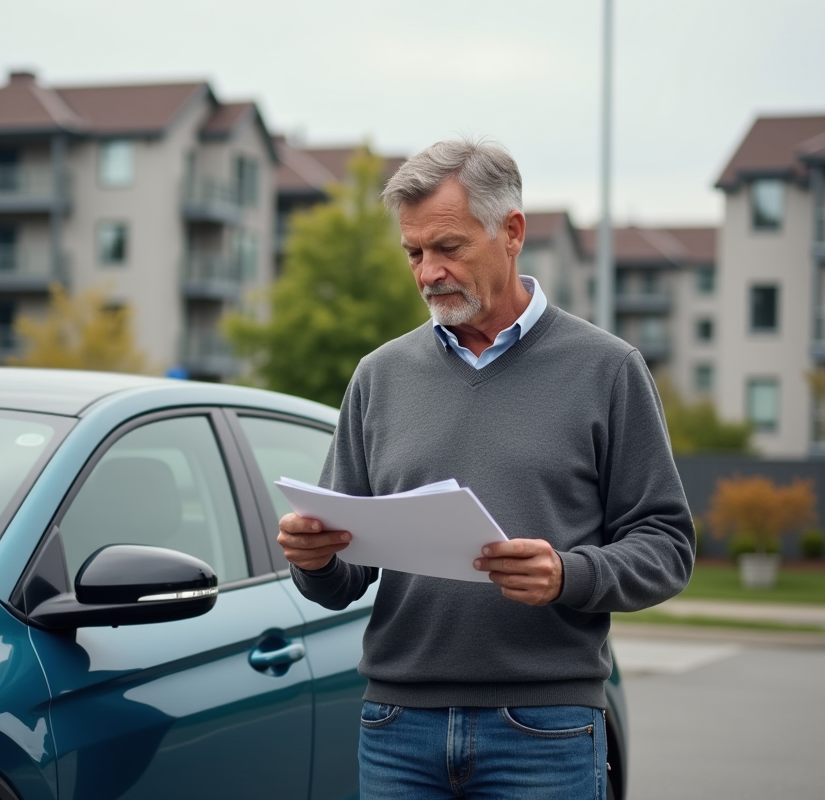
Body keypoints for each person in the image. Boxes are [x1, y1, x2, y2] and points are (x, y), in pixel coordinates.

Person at [277, 139, 695, 800]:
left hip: (546, 727)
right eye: (414, 253)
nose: (428, 273)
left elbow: (667, 547)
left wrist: (568, 573)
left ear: (512, 232)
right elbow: (342, 579)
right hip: (396, 727)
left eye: (448, 248)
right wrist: (315, 558)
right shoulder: (378, 377)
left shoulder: (608, 370)